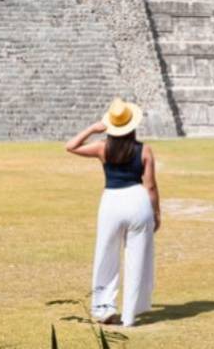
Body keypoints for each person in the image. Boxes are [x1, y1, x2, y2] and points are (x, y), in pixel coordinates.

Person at [64, 99, 160, 327]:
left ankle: (104, 308)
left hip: (112, 201)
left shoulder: (102, 148)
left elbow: (71, 146)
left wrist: (93, 129)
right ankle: (131, 314)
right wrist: (156, 213)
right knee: (138, 257)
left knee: (106, 254)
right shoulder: (144, 150)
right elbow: (150, 186)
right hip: (138, 200)